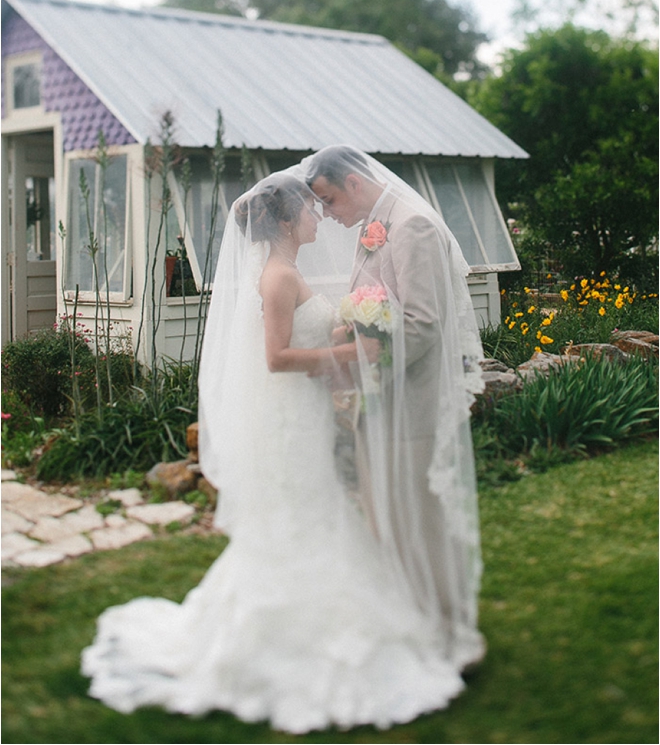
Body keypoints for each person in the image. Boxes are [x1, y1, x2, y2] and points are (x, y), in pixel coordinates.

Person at [81, 168, 474, 733]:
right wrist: (350, 356)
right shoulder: (278, 277)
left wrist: (349, 336)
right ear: (289, 219)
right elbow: (276, 359)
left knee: (315, 516)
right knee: (301, 518)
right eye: (311, 209)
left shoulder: (287, 271)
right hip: (292, 422)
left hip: (305, 418)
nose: (319, 215)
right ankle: (284, 639)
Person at [306, 146, 485, 671]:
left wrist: (363, 361)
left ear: (355, 182)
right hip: (380, 401)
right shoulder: (374, 226)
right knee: (390, 515)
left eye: (330, 199)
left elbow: (423, 323)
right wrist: (349, 330)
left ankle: (452, 632)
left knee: (421, 518)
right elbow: (378, 308)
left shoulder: (413, 226)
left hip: (412, 401)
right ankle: (413, 618)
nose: (328, 213)